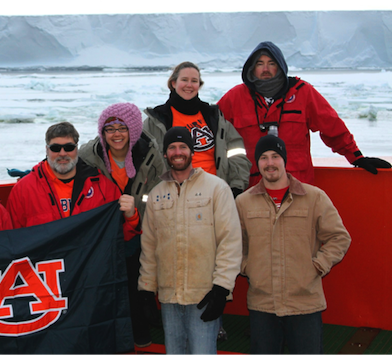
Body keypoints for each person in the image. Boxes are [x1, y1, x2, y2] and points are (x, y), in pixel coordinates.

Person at [236, 135, 351, 355]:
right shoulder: (243, 202)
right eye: (263, 158)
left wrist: (318, 265)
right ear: (257, 163)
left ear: (284, 160)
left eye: (275, 156)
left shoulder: (314, 197)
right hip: (263, 303)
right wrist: (247, 267)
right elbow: (233, 243)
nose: (270, 163)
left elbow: (339, 237)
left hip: (305, 302)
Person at [218, 41, 391, 187]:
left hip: (297, 186)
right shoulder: (235, 97)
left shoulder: (302, 92)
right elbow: (210, 129)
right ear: (251, 68)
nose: (265, 69)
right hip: (253, 187)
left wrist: (356, 158)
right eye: (259, 63)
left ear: (280, 66)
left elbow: (331, 126)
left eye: (271, 63)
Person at [138, 127, 242, 355]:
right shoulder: (156, 194)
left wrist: (222, 288)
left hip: (204, 295)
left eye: (183, 147)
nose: (178, 152)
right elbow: (149, 246)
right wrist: (146, 290)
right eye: (172, 148)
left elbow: (230, 241)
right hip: (169, 296)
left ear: (191, 151)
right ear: (165, 154)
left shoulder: (217, 188)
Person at [79, 102, 165, 347]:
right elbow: (59, 165)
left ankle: (140, 328)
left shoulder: (150, 152)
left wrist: (137, 213)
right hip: (104, 232)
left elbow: (161, 193)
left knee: (134, 270)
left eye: (122, 128)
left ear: (134, 129)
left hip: (142, 226)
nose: (116, 134)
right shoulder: (88, 154)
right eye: (109, 129)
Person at [7, 121, 139, 240]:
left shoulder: (103, 187)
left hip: (89, 265)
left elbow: (120, 237)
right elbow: (12, 240)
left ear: (76, 149)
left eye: (69, 147)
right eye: (55, 148)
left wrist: (131, 217)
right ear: (47, 150)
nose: (63, 153)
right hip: (47, 265)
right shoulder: (23, 190)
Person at [144, 61, 251, 198]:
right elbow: (143, 160)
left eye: (194, 81)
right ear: (173, 83)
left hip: (215, 192)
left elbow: (237, 153)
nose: (189, 85)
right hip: (176, 195)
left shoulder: (214, 117)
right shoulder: (157, 120)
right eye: (184, 80)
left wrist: (236, 186)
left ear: (199, 85)